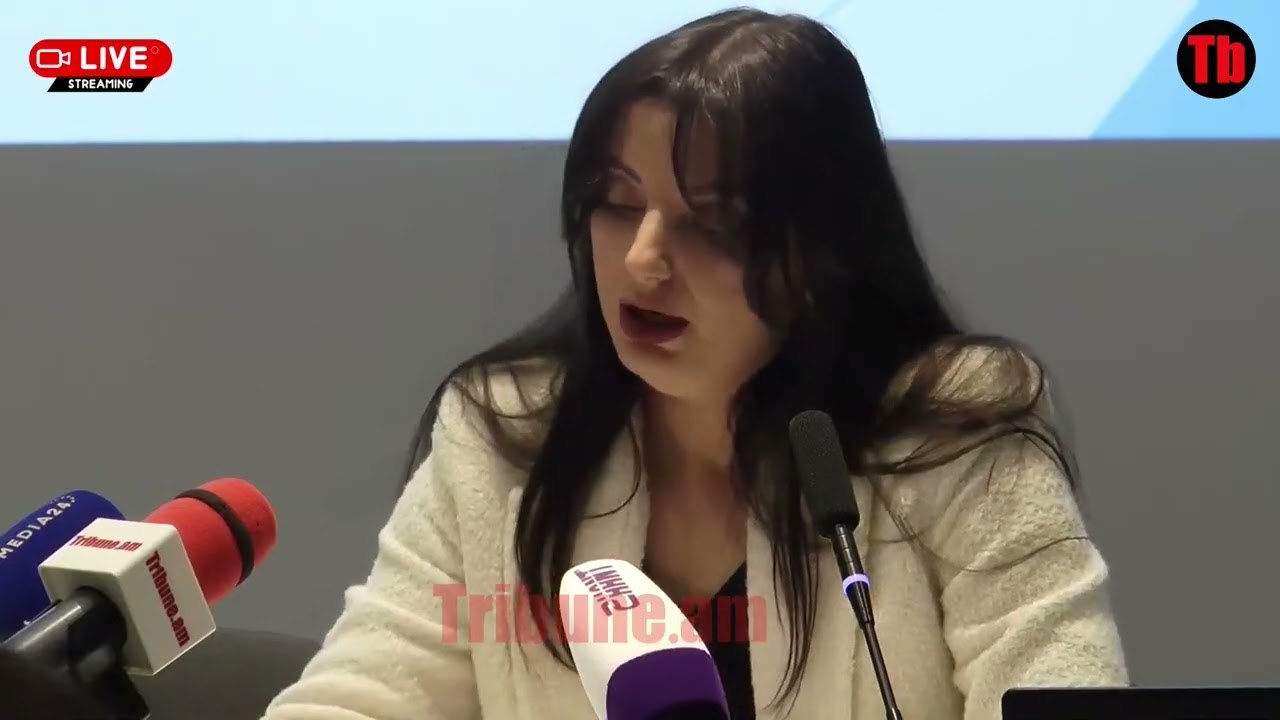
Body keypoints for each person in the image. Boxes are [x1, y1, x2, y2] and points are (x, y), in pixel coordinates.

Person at [262, 8, 1127, 720]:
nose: (643, 260)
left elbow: (1057, 686)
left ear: (824, 251)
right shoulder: (507, 438)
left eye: (710, 222)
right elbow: (360, 695)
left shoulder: (955, 435)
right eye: (616, 203)